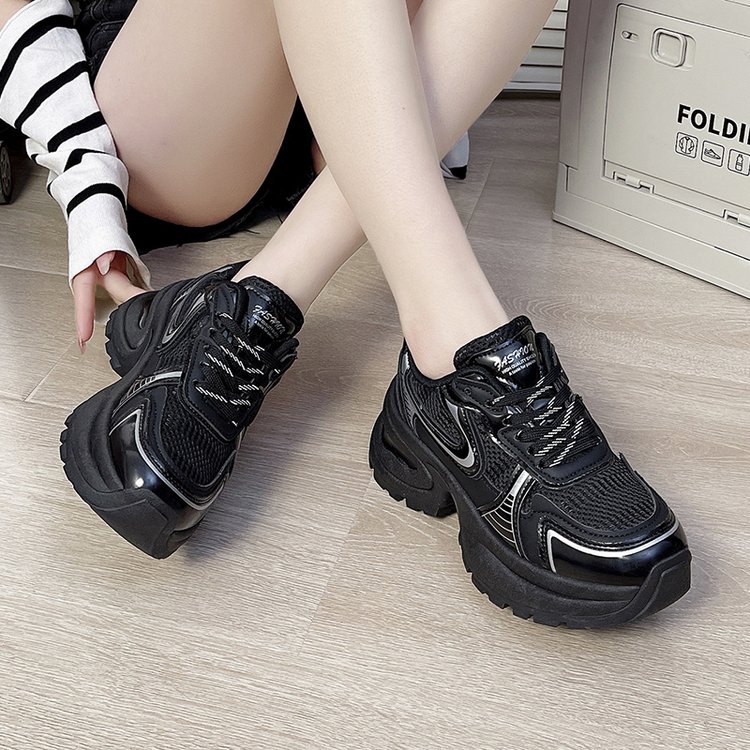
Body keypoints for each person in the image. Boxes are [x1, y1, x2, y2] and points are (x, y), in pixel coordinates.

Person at [0, 0, 692, 627]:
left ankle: (259, 298)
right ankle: (458, 345)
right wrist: (87, 181)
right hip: (178, 109)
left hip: (338, 82)